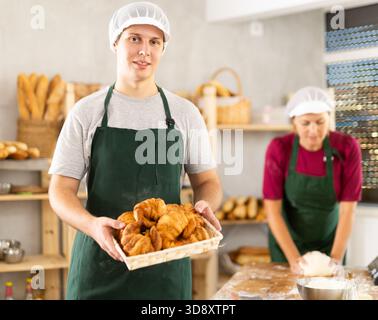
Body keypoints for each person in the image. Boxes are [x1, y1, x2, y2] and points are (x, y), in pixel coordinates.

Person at [48, 2, 222, 299]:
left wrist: (204, 207)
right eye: (134, 39)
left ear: (163, 49)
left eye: (154, 42)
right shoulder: (86, 112)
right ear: (115, 43)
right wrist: (91, 226)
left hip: (164, 270)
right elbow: (60, 191)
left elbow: (207, 182)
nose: (145, 50)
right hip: (99, 265)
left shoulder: (185, 113)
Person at [263, 86, 362, 274]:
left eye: (320, 122)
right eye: (305, 123)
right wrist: (294, 260)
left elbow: (348, 211)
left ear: (329, 119)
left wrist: (335, 258)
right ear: (294, 123)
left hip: (331, 243)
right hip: (287, 244)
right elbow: (272, 211)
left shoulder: (347, 148)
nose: (314, 130)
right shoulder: (279, 149)